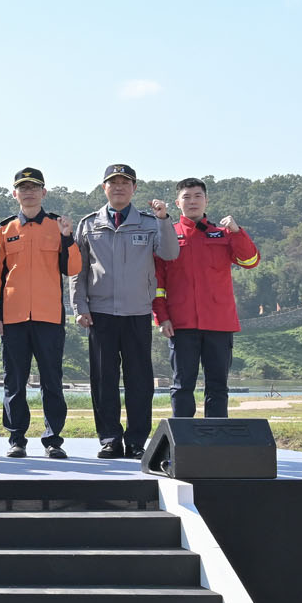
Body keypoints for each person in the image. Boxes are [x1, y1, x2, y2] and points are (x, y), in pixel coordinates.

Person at [72, 163, 180, 459]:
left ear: (134, 188)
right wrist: (80, 306)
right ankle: (109, 439)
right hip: (100, 313)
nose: (119, 187)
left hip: (137, 312)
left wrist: (164, 220)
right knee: (103, 381)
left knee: (139, 381)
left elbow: (170, 253)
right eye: (113, 182)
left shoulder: (150, 222)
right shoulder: (89, 224)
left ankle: (135, 441)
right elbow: (78, 270)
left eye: (125, 182)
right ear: (104, 187)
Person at [0, 168, 83, 460]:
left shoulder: (58, 226)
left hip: (49, 317)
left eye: (33, 187)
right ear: (14, 193)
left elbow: (73, 268)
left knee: (51, 381)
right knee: (14, 382)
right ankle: (16, 438)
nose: (28, 192)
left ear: (44, 192)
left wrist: (67, 238)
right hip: (13, 317)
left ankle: (53, 439)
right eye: (23, 188)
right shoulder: (4, 229)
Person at [154, 178, 260, 420]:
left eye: (197, 196)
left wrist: (237, 232)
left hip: (219, 323)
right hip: (181, 323)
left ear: (206, 200)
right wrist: (161, 317)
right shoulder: (168, 236)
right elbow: (158, 283)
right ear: (177, 203)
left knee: (218, 387)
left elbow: (250, 261)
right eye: (187, 197)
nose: (192, 201)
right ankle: (182, 438)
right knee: (182, 386)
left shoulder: (223, 234)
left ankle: (217, 438)